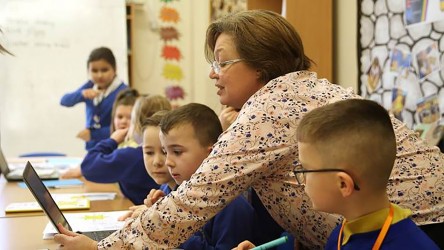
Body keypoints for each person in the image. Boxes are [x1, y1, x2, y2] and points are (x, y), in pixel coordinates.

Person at [54, 10, 444, 249]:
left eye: (222, 62)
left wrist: (102, 249)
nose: (213, 73)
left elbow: (197, 197)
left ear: (260, 64)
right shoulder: (301, 88)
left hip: (406, 233)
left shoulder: (272, 106)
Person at [234, 99, 440, 249]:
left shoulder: (411, 245)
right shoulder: (343, 232)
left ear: (343, 184)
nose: (302, 179)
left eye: (306, 169)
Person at [156, 103, 257, 249]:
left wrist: (174, 230)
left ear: (211, 154)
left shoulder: (231, 205)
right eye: (166, 152)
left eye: (177, 152)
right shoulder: (175, 191)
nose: (168, 162)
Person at [80, 95, 171, 205]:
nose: (157, 161)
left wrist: (112, 141)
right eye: (149, 152)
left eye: (130, 119)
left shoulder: (132, 155)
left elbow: (88, 166)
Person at [60, 88, 139, 179]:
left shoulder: (133, 146)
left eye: (129, 117)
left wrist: (112, 140)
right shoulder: (120, 144)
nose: (123, 121)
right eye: (119, 117)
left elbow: (90, 165)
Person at [60, 47, 128, 150]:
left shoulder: (124, 92)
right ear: (88, 71)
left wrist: (93, 134)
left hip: (114, 148)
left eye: (104, 70)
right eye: (94, 71)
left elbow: (126, 127)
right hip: (93, 148)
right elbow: (64, 101)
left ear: (115, 69)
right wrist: (82, 94)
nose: (99, 75)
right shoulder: (90, 86)